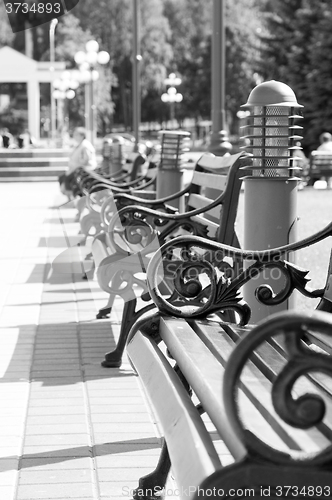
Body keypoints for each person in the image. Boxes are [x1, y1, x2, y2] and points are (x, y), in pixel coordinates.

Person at [59, 127, 96, 200]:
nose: (74, 136)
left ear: (82, 136)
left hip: (84, 169)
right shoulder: (80, 144)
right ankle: (70, 197)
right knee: (62, 177)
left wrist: (77, 164)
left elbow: (86, 160)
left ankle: (71, 199)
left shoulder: (85, 145)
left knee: (67, 178)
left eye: (76, 135)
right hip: (78, 168)